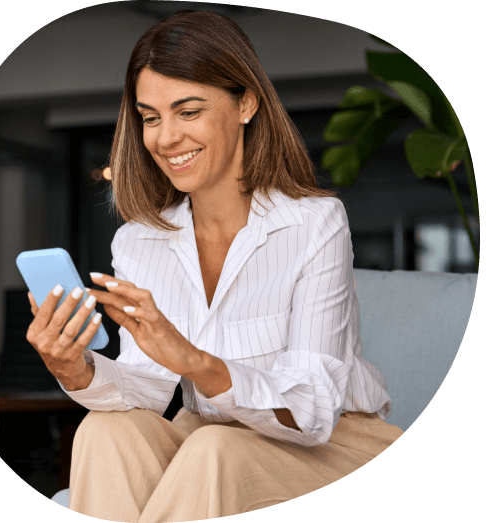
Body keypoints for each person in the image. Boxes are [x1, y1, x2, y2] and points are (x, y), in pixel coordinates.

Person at [26, 9, 404, 521]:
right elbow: (148, 387)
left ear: (246, 103)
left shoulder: (315, 224)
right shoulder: (139, 241)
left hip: (331, 446)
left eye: (188, 111)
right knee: (104, 429)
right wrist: (76, 369)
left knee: (214, 450)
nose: (165, 138)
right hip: (209, 437)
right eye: (150, 117)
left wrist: (196, 362)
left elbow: (313, 410)